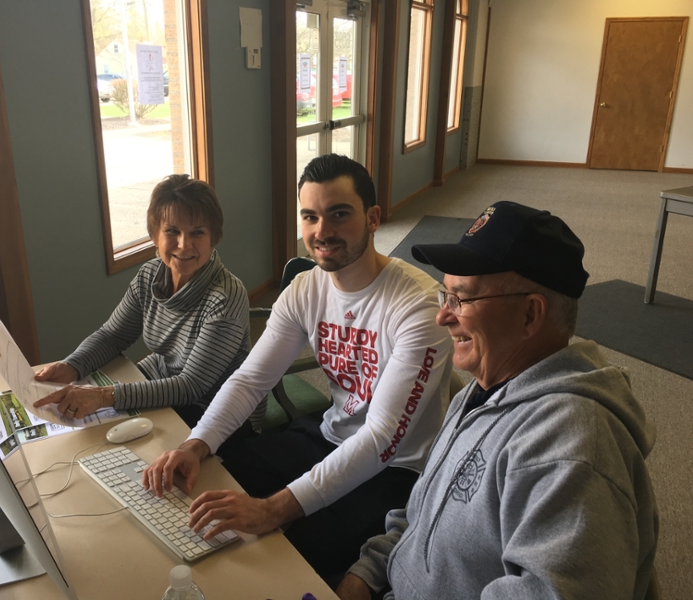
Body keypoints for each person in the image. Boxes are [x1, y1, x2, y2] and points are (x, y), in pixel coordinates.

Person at [142, 154, 454, 583]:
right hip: (327, 434)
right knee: (207, 482)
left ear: (373, 218)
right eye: (310, 217)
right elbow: (252, 380)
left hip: (396, 468)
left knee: (295, 563)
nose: (322, 232)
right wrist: (195, 445)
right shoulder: (305, 289)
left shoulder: (418, 306)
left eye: (339, 214)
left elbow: (382, 438)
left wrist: (274, 508)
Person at [337, 201, 659, 600]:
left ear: (529, 315)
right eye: (445, 295)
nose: (443, 317)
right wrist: (365, 575)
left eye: (462, 299)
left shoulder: (573, 450)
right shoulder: (479, 391)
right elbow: (421, 511)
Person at [33, 174, 264, 430]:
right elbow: (113, 335)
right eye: (172, 231)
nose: (184, 244)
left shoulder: (226, 297)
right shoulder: (150, 275)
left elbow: (192, 386)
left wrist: (102, 396)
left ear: (213, 237)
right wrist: (73, 365)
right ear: (155, 235)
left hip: (214, 411)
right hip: (162, 384)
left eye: (197, 232)